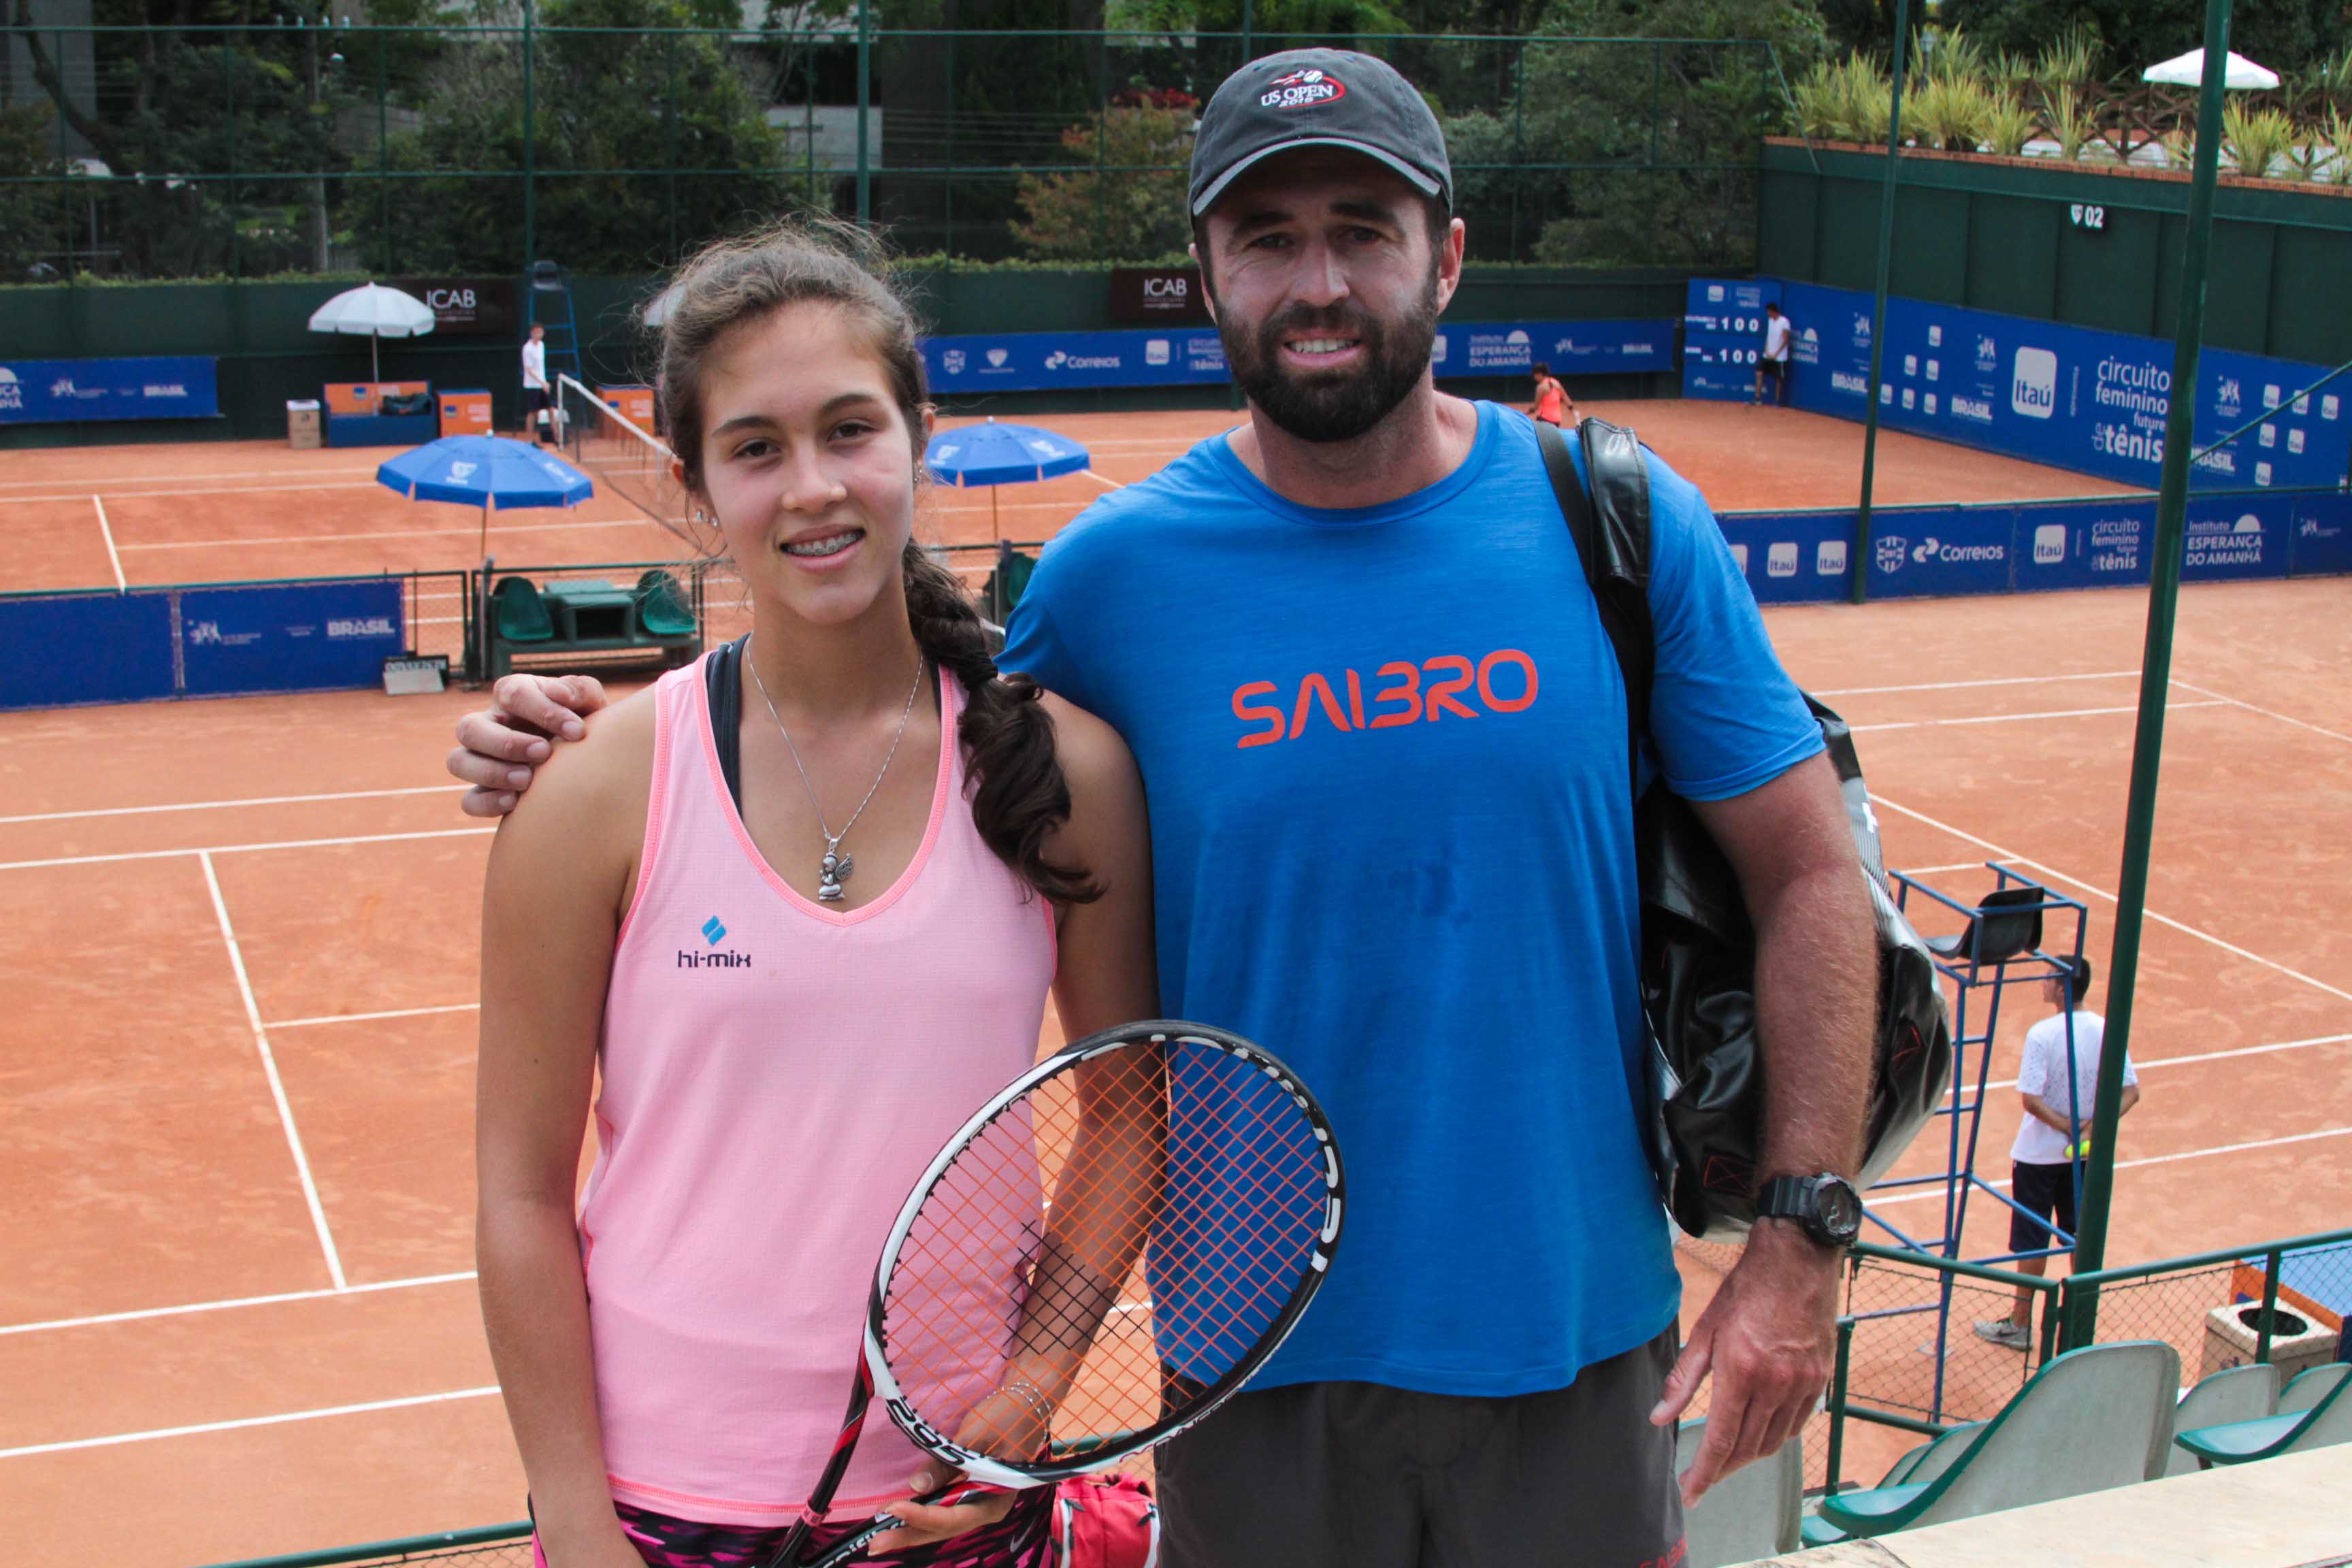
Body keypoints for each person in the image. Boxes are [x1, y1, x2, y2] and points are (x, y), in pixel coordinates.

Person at [450, 49, 1878, 1568]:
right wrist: (596, 742)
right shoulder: (1114, 586)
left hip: (1575, 1356)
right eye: (1265, 238)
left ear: (1446, 257)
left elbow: (1808, 878)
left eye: (1361, 228)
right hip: (1246, 1387)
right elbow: (876, 682)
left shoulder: (1620, 520)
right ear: (1206, 274)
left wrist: (1800, 1242)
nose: (1315, 278)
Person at [474, 219, 1156, 1568]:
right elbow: (518, 1193)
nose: (813, 489)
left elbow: (1130, 1110)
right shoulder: (592, 788)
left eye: (851, 430)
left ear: (919, 436)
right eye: (756, 448)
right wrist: (574, 1517)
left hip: (956, 1491)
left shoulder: (1068, 770)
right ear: (695, 482)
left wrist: (1029, 1397)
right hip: (654, 1502)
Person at [1976, 957, 2140, 1351]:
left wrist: (2068, 1127)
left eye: (2048, 978)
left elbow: (2031, 1100)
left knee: (2032, 1242)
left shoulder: (2042, 1033)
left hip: (2037, 1158)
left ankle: (2019, 1325)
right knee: (2079, 1238)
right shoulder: (2105, 1029)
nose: (2042, 983)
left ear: (2063, 988)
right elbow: (2130, 1092)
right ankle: (2078, 1330)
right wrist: (2090, 1129)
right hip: (2083, 1160)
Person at [1753, 301, 1791, 408]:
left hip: (1779, 357)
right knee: (1759, 372)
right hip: (1768, 355)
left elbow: (1785, 340)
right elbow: (1768, 337)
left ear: (1773, 311)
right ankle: (1758, 399)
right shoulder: (1770, 321)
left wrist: (1776, 354)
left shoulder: (1785, 322)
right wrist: (1767, 351)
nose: (1767, 314)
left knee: (1778, 379)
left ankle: (1777, 401)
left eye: (1768, 312)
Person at [522, 322, 552, 444]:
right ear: (531, 333)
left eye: (540, 332)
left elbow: (541, 368)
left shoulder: (542, 345)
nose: (538, 334)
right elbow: (528, 370)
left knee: (550, 410)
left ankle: (556, 438)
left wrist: (544, 382)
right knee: (532, 413)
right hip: (531, 386)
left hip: (542, 385)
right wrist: (542, 382)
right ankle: (530, 440)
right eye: (535, 332)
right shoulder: (527, 349)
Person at [1529, 361, 1576, 427]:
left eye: (1535, 375)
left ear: (1539, 374)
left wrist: (1529, 411)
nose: (1534, 377)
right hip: (1556, 420)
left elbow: (1536, 407)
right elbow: (1565, 397)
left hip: (1544, 419)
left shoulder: (1541, 387)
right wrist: (1571, 408)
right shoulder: (1556, 383)